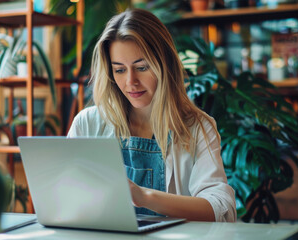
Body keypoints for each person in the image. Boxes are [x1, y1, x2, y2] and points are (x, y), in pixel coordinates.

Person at [67, 8, 236, 222]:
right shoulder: (87, 124)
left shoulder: (198, 127)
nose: (131, 82)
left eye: (142, 67)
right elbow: (67, 199)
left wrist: (144, 196)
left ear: (164, 64)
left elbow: (222, 209)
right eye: (119, 70)